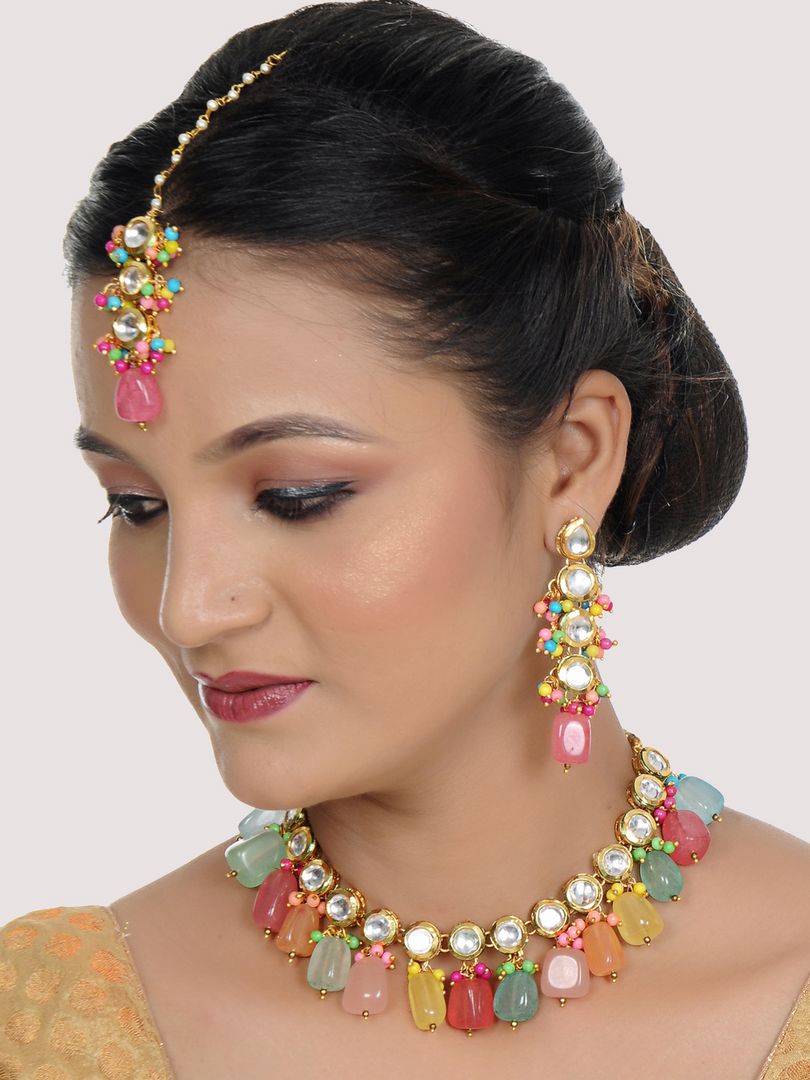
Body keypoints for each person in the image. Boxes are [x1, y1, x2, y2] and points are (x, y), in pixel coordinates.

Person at [2, 2, 808, 1076]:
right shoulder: (50, 1024)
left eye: (298, 495)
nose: (187, 607)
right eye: (134, 505)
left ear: (572, 458)